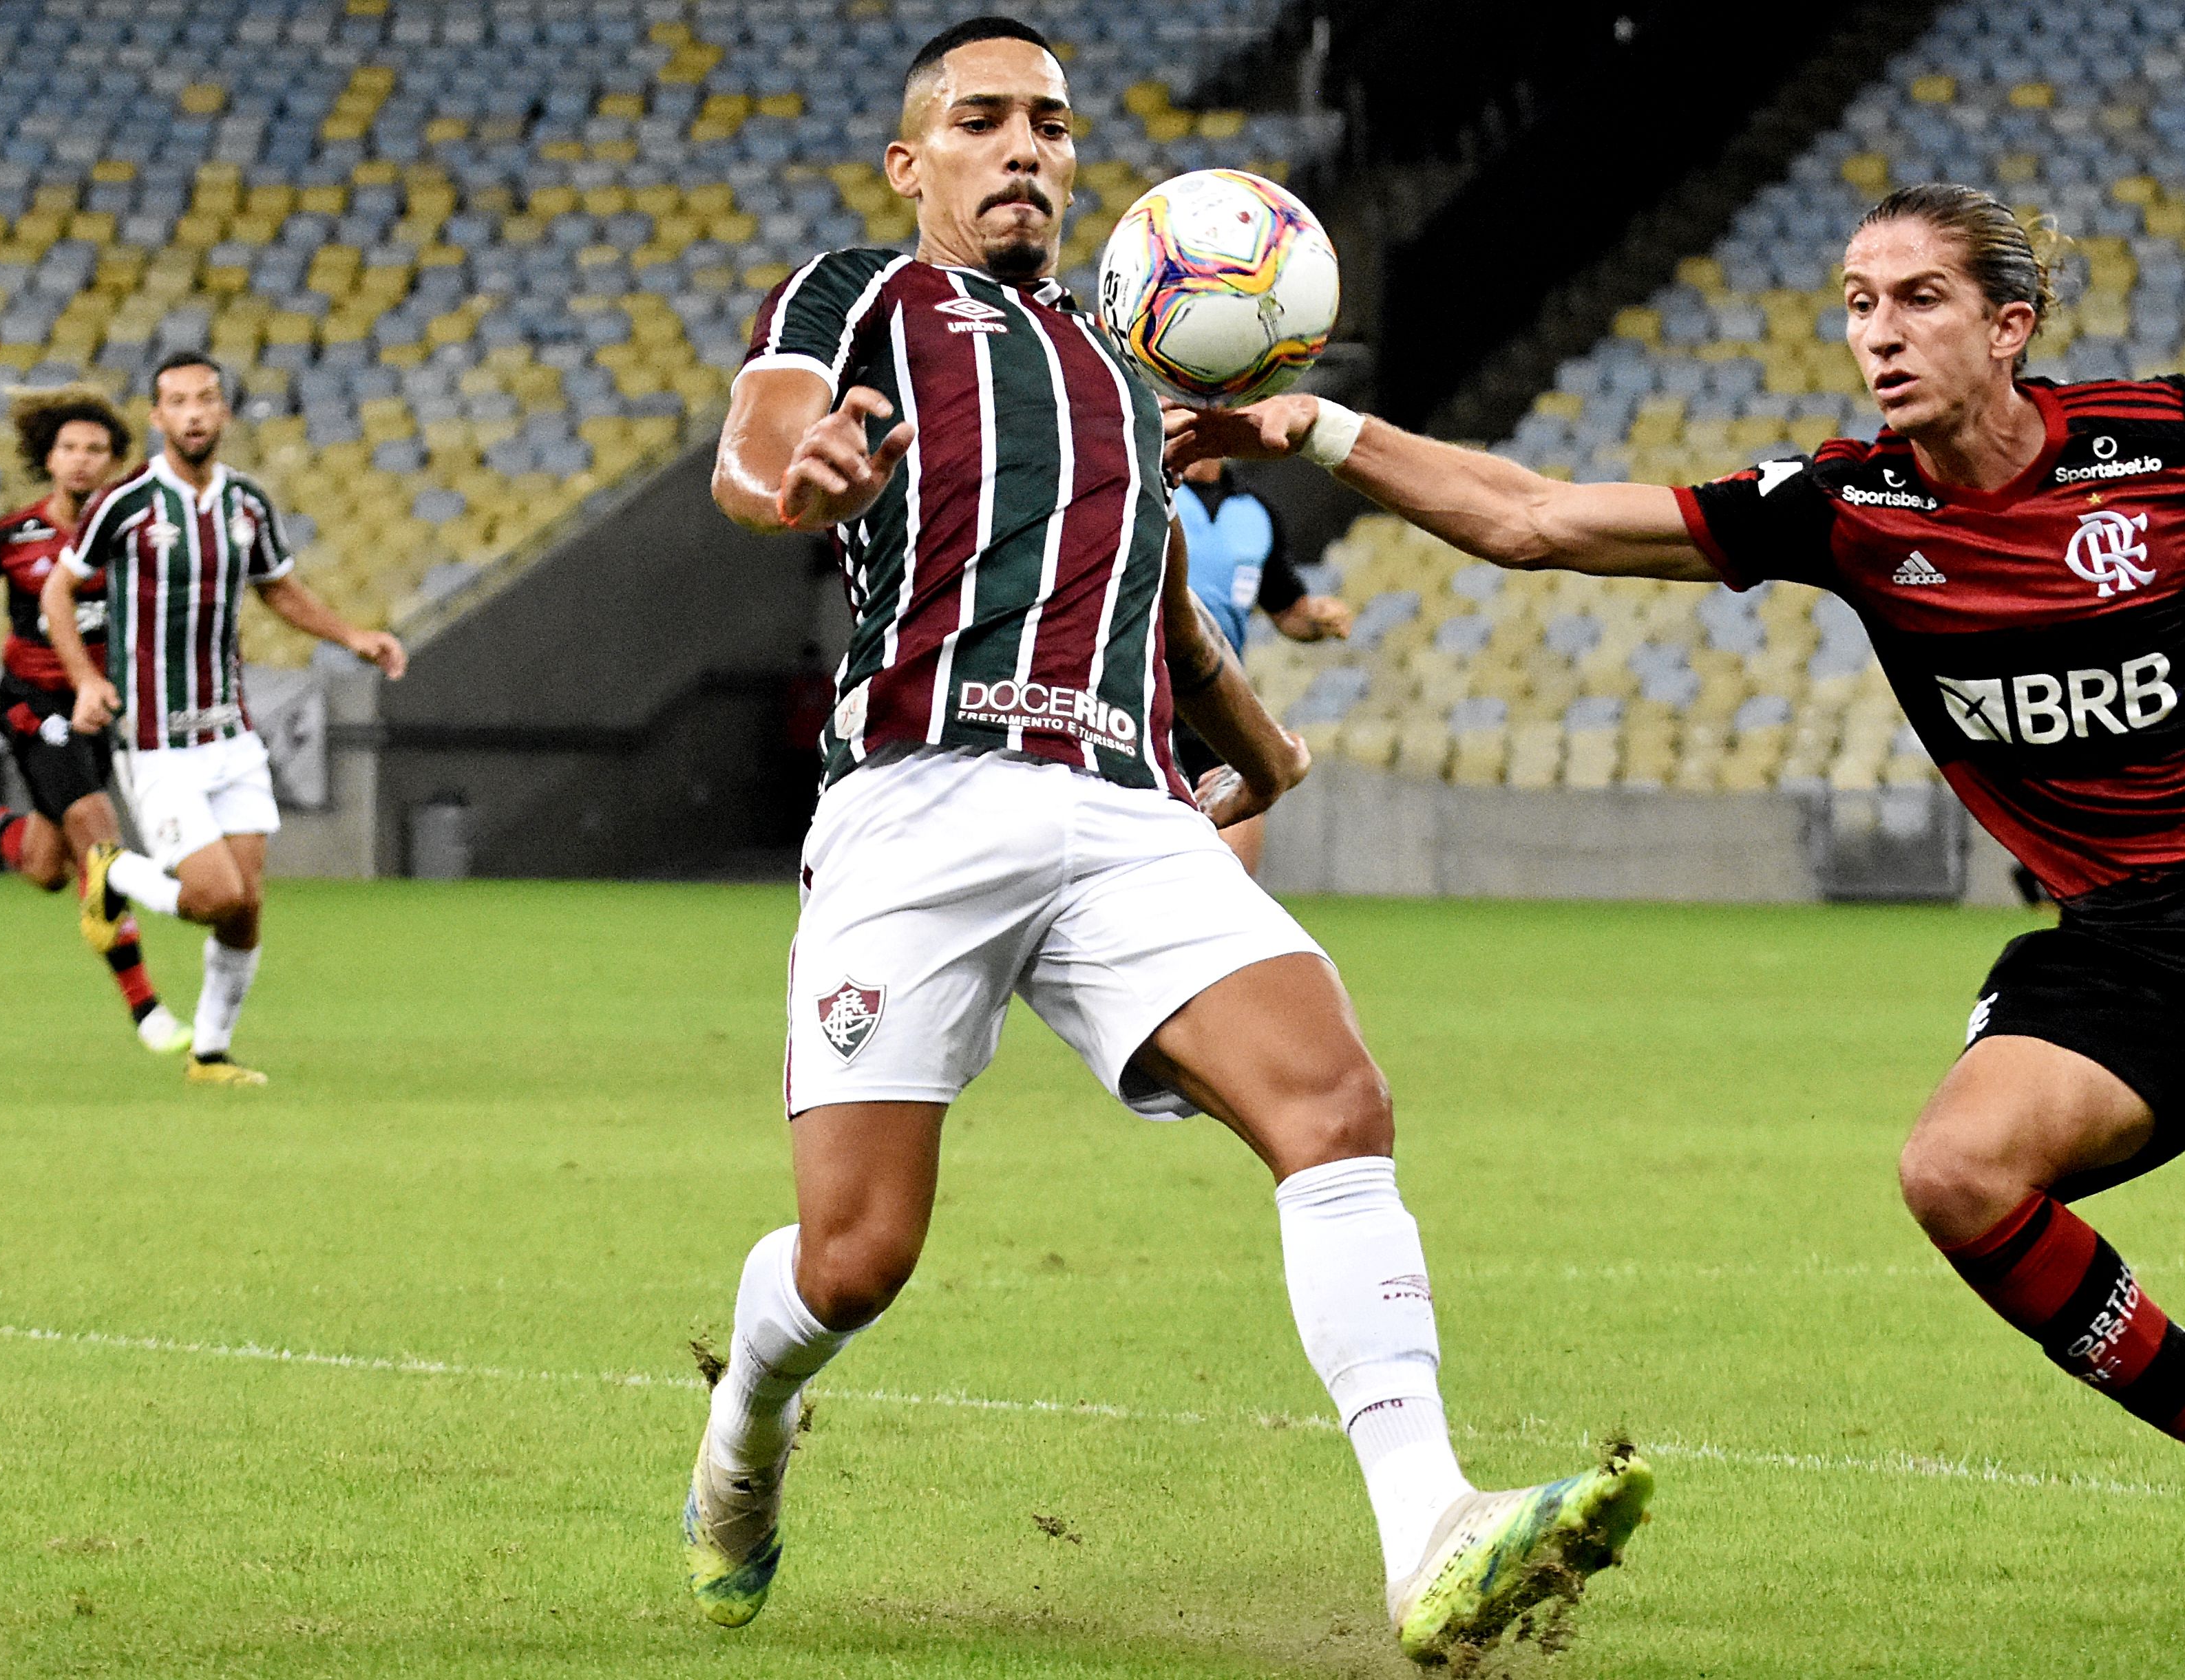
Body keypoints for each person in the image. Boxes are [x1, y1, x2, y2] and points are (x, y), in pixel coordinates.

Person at [1173, 183, 2185, 1680]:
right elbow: (1526, 516)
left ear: (2008, 324)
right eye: (1858, 304)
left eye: (1917, 299)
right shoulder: (1841, 508)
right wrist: (1313, 426)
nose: (1878, 333)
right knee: (1953, 1171)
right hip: (2121, 937)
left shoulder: (2158, 436)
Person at [689, 19, 1646, 1663]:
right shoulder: (858, 294)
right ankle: (745, 1433)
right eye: (979, 121)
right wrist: (807, 476)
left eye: (1049, 126)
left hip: (1125, 810)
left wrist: (1261, 755)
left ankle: (1430, 1526)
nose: (1023, 149)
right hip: (919, 797)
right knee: (856, 1256)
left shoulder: (1133, 376)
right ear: (914, 164)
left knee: (1333, 1098)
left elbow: (1154, 621)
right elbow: (755, 448)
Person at [41, 351, 408, 1086]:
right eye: (178, 401)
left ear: (224, 413)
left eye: (206, 399)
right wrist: (84, 679)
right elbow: (59, 590)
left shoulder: (245, 504)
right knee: (215, 897)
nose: (195, 413)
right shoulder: (126, 502)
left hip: (231, 735)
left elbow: (279, 588)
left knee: (247, 909)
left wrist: (351, 635)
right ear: (157, 417)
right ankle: (112, 875)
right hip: (157, 741)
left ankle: (209, 1053)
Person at [0, 385, 187, 1052]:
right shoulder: (9, 535)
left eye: (97, 449)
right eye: (70, 447)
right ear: (50, 456)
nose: (83, 460)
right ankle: (147, 1006)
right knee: (98, 832)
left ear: (117, 460)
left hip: (102, 713)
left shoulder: (131, 536)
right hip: (33, 705)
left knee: (47, 866)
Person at [1171, 456, 1353, 871]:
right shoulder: (1143, 490)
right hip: (1139, 693)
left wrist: (1315, 619)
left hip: (1214, 698)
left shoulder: (1255, 512)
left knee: (1233, 850)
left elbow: (1287, 609)